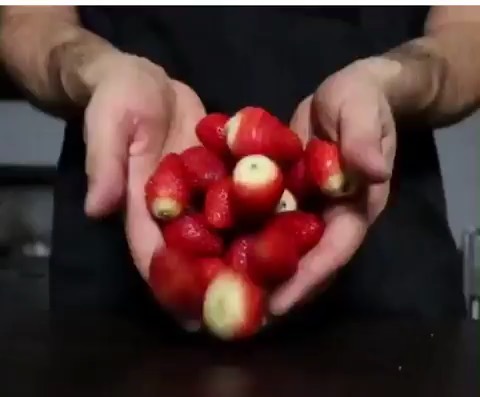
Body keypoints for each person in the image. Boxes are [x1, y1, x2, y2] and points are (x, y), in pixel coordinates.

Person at [0, 6, 477, 332]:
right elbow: (25, 17)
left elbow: (467, 27)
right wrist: (93, 71)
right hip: (119, 291)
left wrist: (393, 81)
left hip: (388, 293)